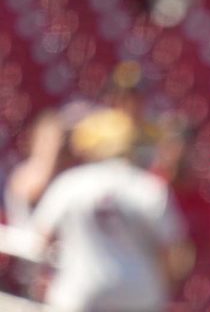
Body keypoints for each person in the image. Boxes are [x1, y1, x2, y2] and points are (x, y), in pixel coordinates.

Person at [30, 108, 192, 312]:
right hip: (139, 296)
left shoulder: (69, 184)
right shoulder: (149, 187)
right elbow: (174, 251)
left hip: (79, 295)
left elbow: (41, 239)